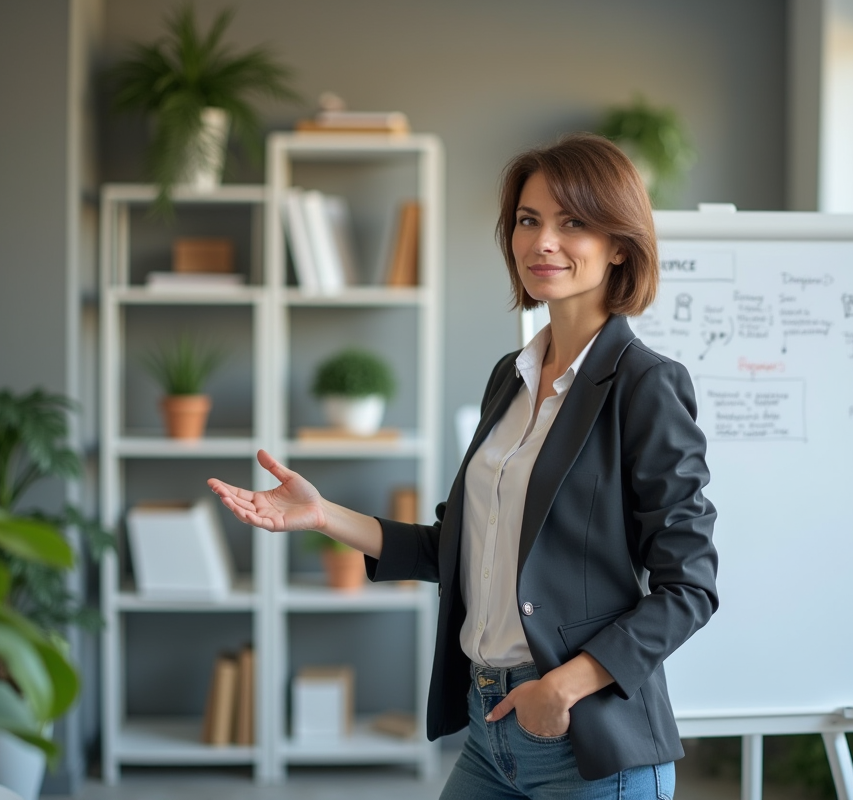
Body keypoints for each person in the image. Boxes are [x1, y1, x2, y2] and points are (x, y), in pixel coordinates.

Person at [208, 133, 718, 799]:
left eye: (574, 222)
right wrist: (323, 515)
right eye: (529, 221)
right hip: (489, 728)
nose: (542, 243)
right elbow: (457, 549)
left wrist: (561, 688)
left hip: (588, 744)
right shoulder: (510, 377)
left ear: (620, 244)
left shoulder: (645, 385)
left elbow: (690, 588)